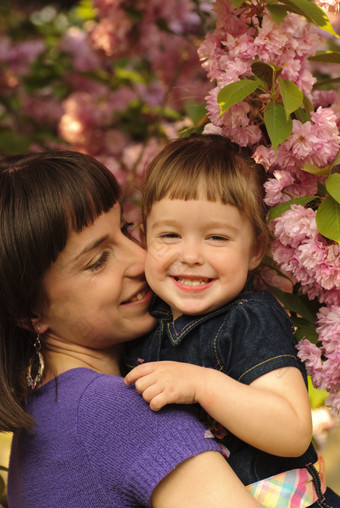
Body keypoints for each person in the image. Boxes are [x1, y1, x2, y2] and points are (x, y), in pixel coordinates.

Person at [0, 150, 261, 508]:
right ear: (29, 313)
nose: (141, 259)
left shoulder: (45, 418)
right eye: (98, 260)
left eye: (125, 229)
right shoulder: (118, 412)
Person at [124, 134, 340, 507]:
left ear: (255, 248)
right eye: (170, 234)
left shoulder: (249, 317)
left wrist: (202, 384)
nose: (190, 255)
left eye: (217, 237)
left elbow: (291, 430)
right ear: (145, 238)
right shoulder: (142, 321)